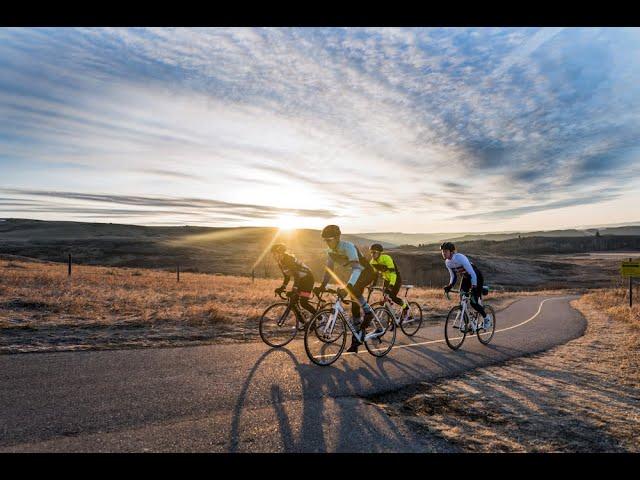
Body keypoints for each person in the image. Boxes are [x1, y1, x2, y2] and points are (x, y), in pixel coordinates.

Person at [313, 225, 377, 353]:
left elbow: (357, 269)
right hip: (357, 274)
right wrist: (322, 286)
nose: (327, 243)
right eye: (325, 240)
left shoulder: (348, 247)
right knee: (354, 304)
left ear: (337, 238)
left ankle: (368, 312)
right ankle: (357, 336)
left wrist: (347, 287)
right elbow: (329, 271)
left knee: (353, 292)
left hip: (366, 272)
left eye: (329, 240)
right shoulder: (330, 251)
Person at [440, 242, 492, 329]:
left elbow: (472, 273)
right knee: (462, 301)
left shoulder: (460, 258)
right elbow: (453, 276)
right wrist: (449, 286)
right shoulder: (448, 263)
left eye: (445, 251)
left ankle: (487, 319)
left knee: (473, 302)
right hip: (466, 278)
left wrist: (474, 286)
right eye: (442, 251)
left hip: (476, 276)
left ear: (451, 252)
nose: (443, 253)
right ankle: (467, 323)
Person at [271, 243, 317, 317]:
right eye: (272, 254)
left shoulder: (288, 259)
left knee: (303, 302)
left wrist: (294, 288)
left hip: (308, 279)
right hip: (300, 280)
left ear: (280, 253)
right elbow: (287, 277)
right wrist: (282, 287)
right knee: (293, 302)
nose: (273, 256)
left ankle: (320, 317)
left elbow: (296, 275)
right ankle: (305, 322)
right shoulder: (280, 263)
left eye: (275, 253)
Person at [369, 244, 409, 322]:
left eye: (374, 252)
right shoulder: (372, 262)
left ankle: (405, 307)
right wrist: (372, 285)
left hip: (395, 279)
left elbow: (393, 274)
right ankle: (391, 317)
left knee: (392, 296)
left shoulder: (387, 258)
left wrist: (391, 286)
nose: (372, 255)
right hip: (386, 280)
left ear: (379, 253)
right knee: (385, 298)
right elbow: (375, 275)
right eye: (371, 253)